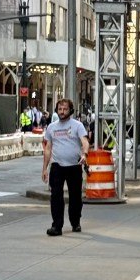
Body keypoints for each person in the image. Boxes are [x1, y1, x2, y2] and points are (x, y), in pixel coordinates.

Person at [42, 97, 90, 236]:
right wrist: (44, 168)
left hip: (74, 165)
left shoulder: (77, 125)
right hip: (57, 166)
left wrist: (85, 154)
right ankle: (56, 226)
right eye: (60, 109)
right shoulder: (51, 127)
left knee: (75, 197)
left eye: (65, 109)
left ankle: (75, 222)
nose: (62, 112)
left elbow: (85, 142)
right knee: (56, 196)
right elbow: (48, 149)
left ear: (71, 111)